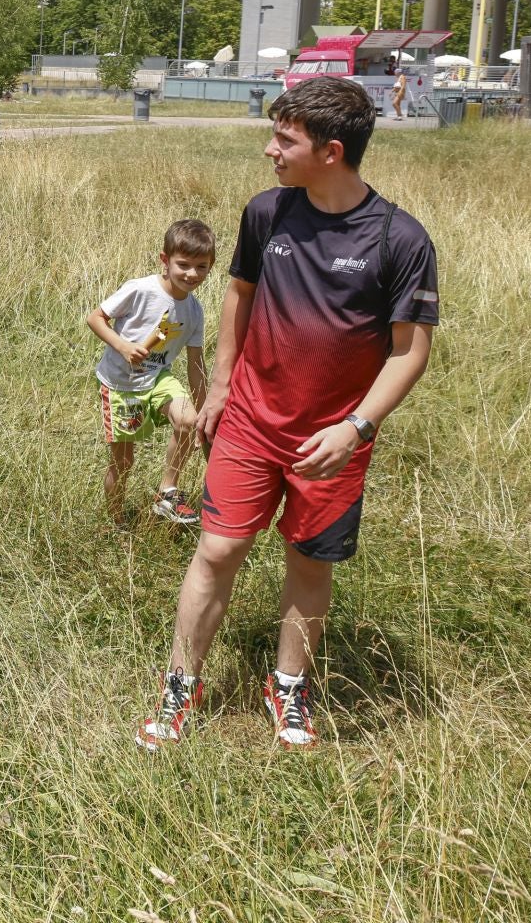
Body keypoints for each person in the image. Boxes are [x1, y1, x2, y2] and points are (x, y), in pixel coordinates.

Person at [136, 77, 437, 752]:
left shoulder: (400, 239)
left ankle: (288, 686)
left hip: (332, 441)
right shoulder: (267, 212)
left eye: (284, 138)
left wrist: (356, 426)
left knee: (308, 561)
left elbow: (410, 353)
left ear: (331, 151)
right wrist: (220, 387)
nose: (269, 148)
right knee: (218, 549)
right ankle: (181, 684)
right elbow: (240, 298)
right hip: (249, 420)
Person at [88, 219, 214, 528]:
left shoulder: (194, 311)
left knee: (186, 420)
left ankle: (166, 492)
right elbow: (95, 318)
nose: (192, 274)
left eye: (201, 267)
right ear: (164, 261)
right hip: (121, 384)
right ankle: (117, 521)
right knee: (124, 462)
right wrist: (123, 346)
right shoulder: (141, 289)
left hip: (158, 377)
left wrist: (205, 412)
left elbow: (195, 365)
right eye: (183, 264)